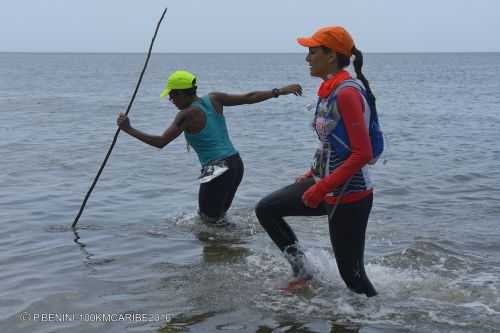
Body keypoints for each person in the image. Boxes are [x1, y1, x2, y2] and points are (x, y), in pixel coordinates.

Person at [255, 26, 378, 297]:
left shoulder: (346, 92)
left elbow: (362, 154)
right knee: (267, 209)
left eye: (312, 52)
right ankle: (303, 272)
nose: (307, 58)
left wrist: (321, 188)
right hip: (326, 183)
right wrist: (313, 173)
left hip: (350, 194)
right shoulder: (328, 90)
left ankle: (381, 319)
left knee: (353, 278)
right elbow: (332, 142)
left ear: (331, 55)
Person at [117, 70, 302, 224]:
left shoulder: (186, 114)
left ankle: (229, 253)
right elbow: (249, 97)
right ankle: (233, 252)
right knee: (218, 219)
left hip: (216, 168)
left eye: (172, 95)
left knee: (208, 222)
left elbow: (161, 142)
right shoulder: (214, 98)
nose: (171, 100)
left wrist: (128, 129)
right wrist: (280, 91)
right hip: (236, 163)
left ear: (182, 93)